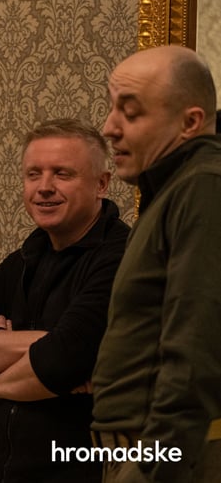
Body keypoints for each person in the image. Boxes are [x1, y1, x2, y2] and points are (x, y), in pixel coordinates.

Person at [0, 118, 130, 483]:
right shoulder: (25, 258)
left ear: (101, 184)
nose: (44, 187)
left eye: (62, 174)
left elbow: (65, 357)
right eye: (33, 174)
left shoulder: (122, 258)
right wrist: (50, 346)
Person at [91, 45, 221, 483]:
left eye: (130, 112)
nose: (109, 128)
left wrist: (154, 464)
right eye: (112, 108)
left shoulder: (203, 187)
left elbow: (196, 342)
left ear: (190, 123)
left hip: (166, 454)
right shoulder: (172, 187)